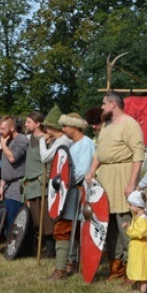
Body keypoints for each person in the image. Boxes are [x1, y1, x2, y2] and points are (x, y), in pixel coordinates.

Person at [86, 92, 145, 280]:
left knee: (124, 224)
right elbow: (99, 152)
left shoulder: (130, 124)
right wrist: (91, 171)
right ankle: (116, 267)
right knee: (108, 225)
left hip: (122, 174)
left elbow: (138, 154)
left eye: (104, 104)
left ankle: (132, 269)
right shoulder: (106, 125)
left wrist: (131, 182)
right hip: (105, 178)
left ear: (113, 104)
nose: (102, 107)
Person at [48, 113, 94, 279]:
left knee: (64, 228)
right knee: (67, 228)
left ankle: (62, 269)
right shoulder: (73, 146)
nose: (63, 129)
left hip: (75, 191)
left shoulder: (86, 143)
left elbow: (83, 170)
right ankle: (70, 262)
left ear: (75, 127)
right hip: (67, 191)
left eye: (66, 125)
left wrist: (67, 182)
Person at [23, 110, 54, 257]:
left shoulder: (48, 140)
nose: (25, 124)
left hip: (43, 185)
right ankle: (40, 247)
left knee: (47, 219)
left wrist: (47, 178)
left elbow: (51, 161)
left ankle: (51, 250)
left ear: (38, 123)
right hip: (32, 185)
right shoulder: (28, 138)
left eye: (28, 122)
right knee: (37, 218)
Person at [0, 116, 28, 231]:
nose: (0, 132)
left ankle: (17, 248)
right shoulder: (8, 141)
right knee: (9, 220)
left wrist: (3, 145)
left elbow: (13, 158)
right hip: (8, 186)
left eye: (3, 128)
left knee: (15, 221)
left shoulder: (21, 139)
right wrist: (1, 186)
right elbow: (7, 167)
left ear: (12, 127)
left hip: (18, 186)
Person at [125, 190, 147, 293]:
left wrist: (129, 229)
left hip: (141, 247)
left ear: (138, 205)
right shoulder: (136, 218)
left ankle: (143, 291)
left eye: (131, 205)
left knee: (142, 269)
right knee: (138, 268)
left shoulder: (143, 220)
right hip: (136, 247)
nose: (130, 207)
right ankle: (139, 289)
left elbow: (139, 233)